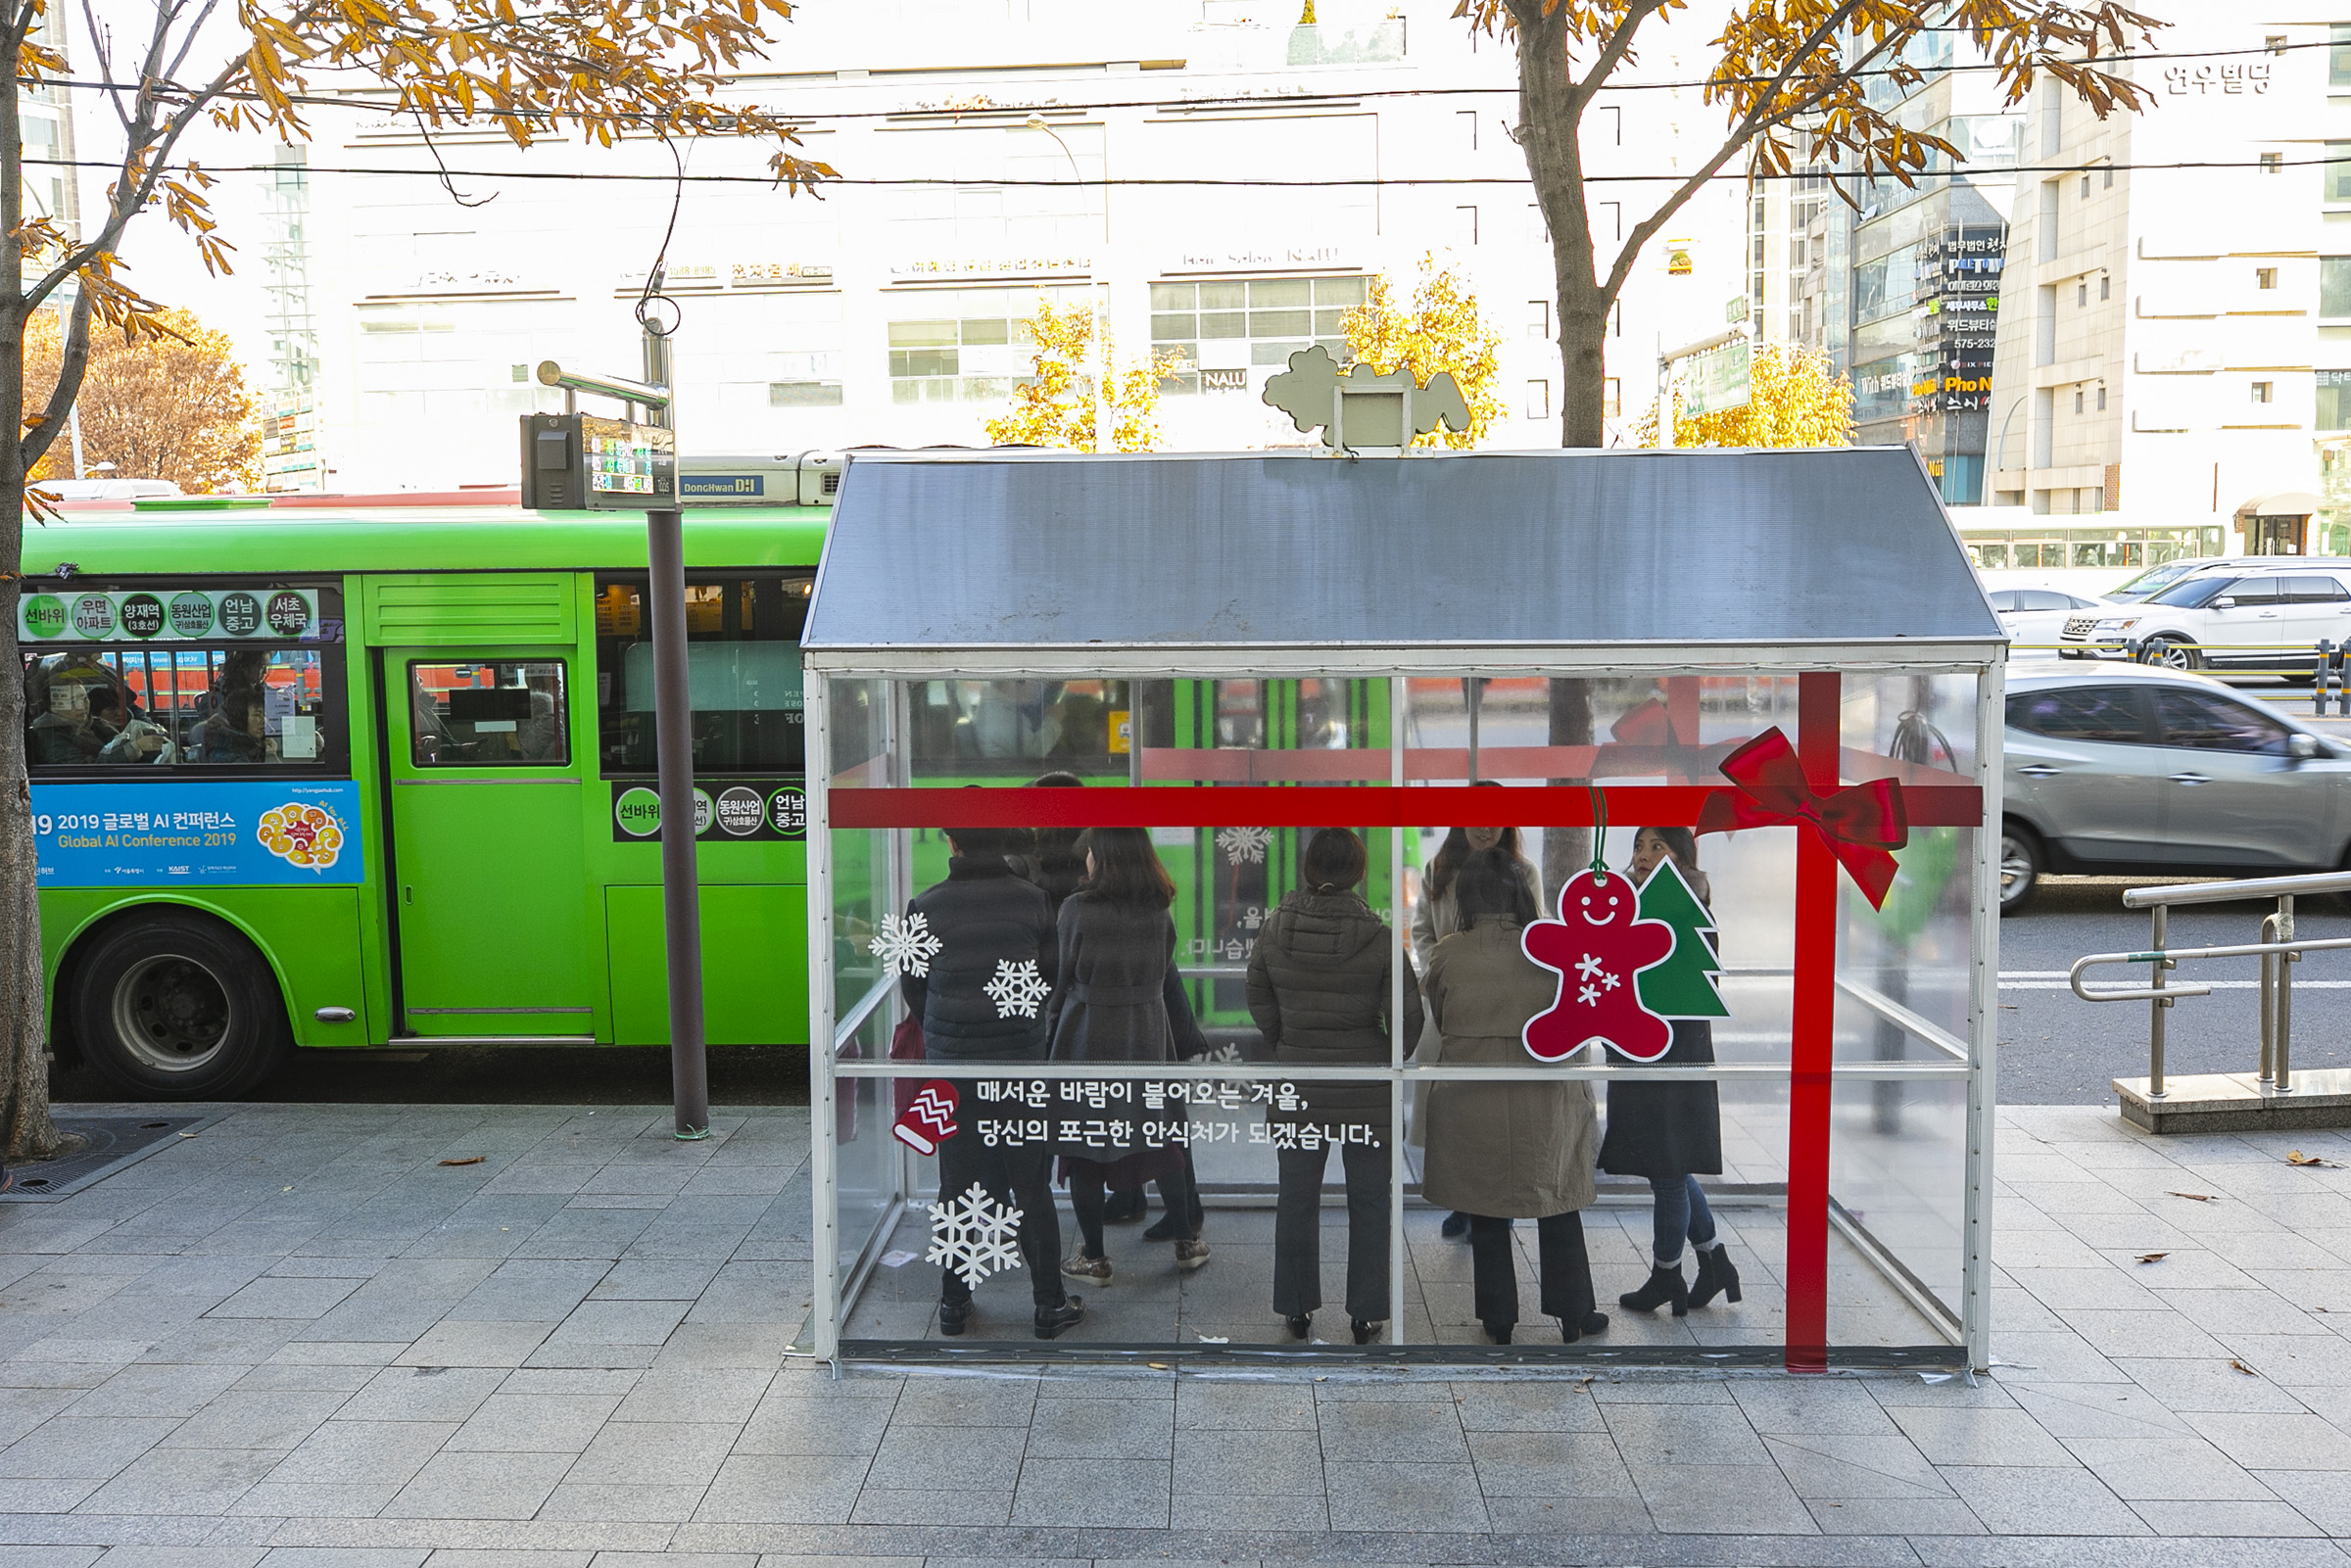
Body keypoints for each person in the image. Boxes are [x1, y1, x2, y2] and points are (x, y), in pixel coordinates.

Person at [900, 825, 1086, 1340]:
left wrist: (947, 1029)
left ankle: (955, 1304)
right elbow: (1049, 980)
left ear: (952, 842)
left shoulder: (926, 905)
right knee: (1029, 1184)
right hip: (1017, 1064)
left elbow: (913, 986)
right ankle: (1049, 1306)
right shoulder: (1034, 902)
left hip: (954, 1069)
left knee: (957, 1184)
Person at [1421, 849, 1608, 1344]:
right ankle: (1574, 1314)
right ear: (1522, 894)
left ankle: (1498, 1319)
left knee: (1485, 1206)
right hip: (1547, 1095)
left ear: (1467, 897)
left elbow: (1440, 1018)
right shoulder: (1553, 949)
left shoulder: (1448, 953)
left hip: (1472, 1093)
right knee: (1557, 1198)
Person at [1011, 771, 1206, 1238]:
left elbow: (1059, 948)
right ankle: (1164, 1204)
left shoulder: (1050, 860)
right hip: (1149, 993)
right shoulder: (1100, 845)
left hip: (1093, 999)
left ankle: (1131, 1208)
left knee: (1098, 1112)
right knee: (1155, 1107)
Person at [1248, 827, 1420, 1344]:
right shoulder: (1379, 935)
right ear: (1359, 873)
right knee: (1371, 1200)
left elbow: (1257, 996)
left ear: (1309, 870)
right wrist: (1384, 1056)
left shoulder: (1275, 928)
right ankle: (1367, 1312)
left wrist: (1288, 1045)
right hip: (1366, 1089)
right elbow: (1408, 1019)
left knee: (1295, 1197)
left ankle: (1296, 1308)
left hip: (1298, 1086)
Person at [1047, 827, 1209, 1280]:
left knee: (1083, 1146)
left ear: (1105, 857)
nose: (1087, 862)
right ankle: (1187, 1241)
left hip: (1086, 1035)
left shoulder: (1076, 911)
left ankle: (1094, 1257)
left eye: (1092, 854)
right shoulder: (1158, 912)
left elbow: (1061, 981)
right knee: (1161, 1137)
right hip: (1147, 1035)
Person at [1600, 826, 1742, 1315]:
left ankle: (1666, 1276)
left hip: (1674, 1055)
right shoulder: (1626, 904)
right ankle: (1714, 1262)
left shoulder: (1687, 909)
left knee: (1667, 1170)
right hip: (1640, 1052)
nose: (1642, 855)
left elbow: (1684, 984)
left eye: (1657, 846)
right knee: (1672, 1166)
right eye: (1639, 846)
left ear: (1682, 858)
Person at [1411, 798, 1543, 1240]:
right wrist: (1441, 970)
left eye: (1495, 817)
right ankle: (1462, 1203)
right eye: (1475, 817)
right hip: (1451, 998)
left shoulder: (1523, 872)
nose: (1485, 827)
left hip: (1505, 1001)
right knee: (1456, 1112)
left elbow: (1536, 932)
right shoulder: (1439, 869)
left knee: (1495, 1112)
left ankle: (1492, 1207)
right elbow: (1422, 930)